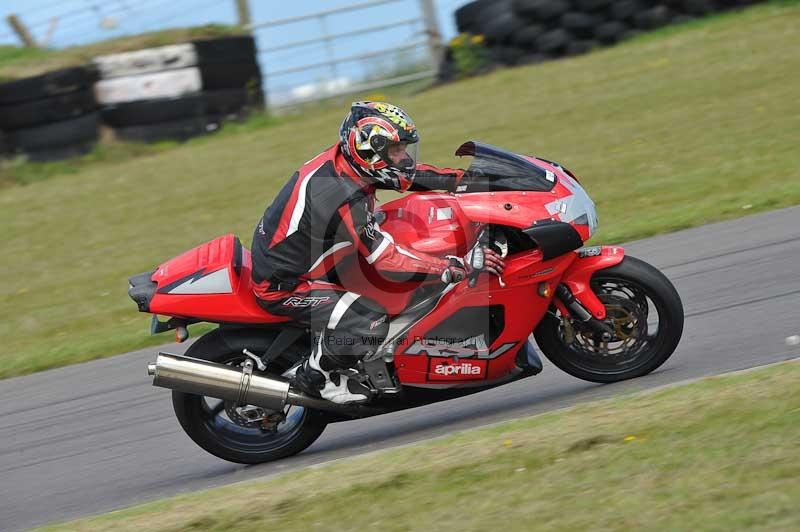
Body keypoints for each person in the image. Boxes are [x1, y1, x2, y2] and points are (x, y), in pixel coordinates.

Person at [250, 101, 504, 404]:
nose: (404, 156)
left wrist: (465, 182)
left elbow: (411, 175)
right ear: (372, 151)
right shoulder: (341, 196)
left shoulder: (352, 163)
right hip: (285, 285)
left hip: (311, 254)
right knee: (368, 319)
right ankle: (316, 375)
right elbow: (385, 260)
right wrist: (452, 265)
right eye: (397, 150)